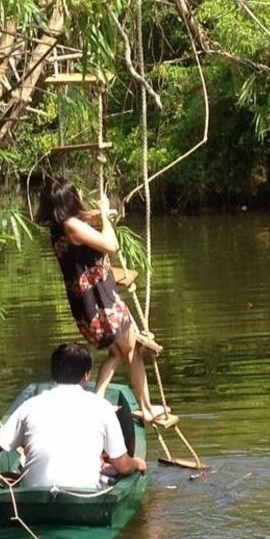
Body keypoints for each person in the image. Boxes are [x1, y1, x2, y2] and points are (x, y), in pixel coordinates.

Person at [37, 175, 164, 422]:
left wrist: (100, 212)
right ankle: (147, 410)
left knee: (117, 353)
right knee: (133, 350)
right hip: (102, 306)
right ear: (70, 200)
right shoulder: (71, 225)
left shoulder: (58, 227)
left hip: (88, 307)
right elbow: (111, 245)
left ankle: (96, 401)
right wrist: (105, 215)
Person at [0, 343, 146, 489]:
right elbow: (122, 464)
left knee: (7, 476)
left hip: (35, 499)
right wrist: (137, 463)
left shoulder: (30, 406)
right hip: (84, 497)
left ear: (53, 372)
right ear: (87, 375)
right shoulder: (101, 407)